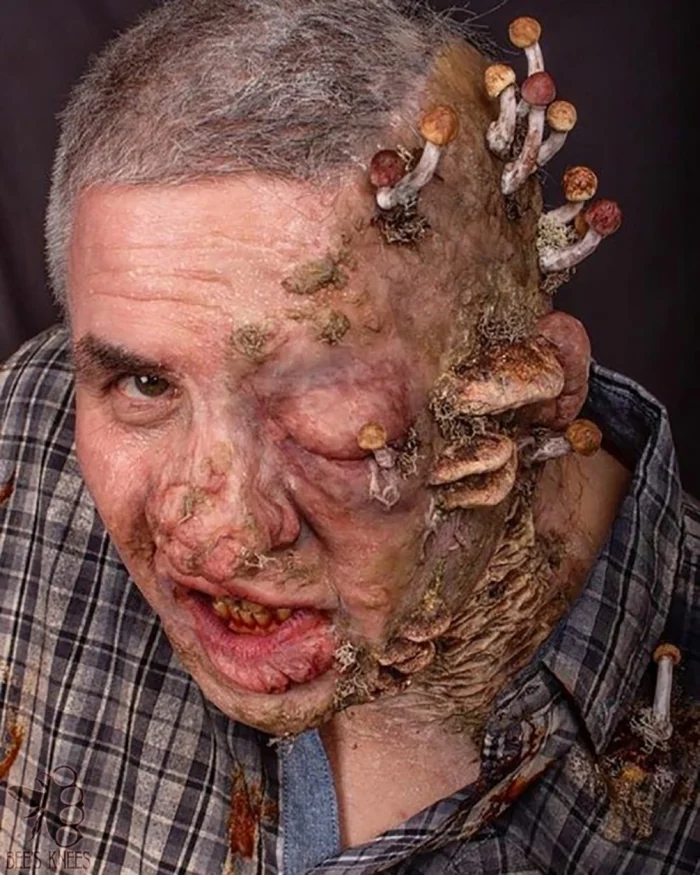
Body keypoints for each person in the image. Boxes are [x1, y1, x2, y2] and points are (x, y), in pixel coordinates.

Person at [0, 2, 697, 872]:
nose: (221, 532)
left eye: (317, 397)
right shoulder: (24, 436)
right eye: (146, 384)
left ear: (538, 387)